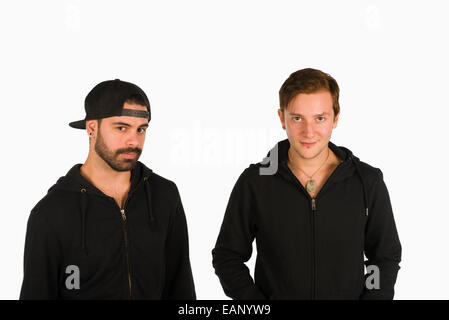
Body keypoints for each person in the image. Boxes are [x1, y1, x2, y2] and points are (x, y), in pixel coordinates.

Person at [212, 68, 402, 300]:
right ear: (282, 118)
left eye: (319, 118)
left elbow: (384, 257)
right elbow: (227, 257)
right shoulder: (254, 182)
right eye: (297, 118)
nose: (308, 132)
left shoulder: (367, 182)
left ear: (336, 118)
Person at [20, 79, 196, 299]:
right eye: (121, 128)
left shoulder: (164, 195)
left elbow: (181, 288)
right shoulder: (50, 213)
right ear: (92, 128)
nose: (134, 141)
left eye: (141, 129)